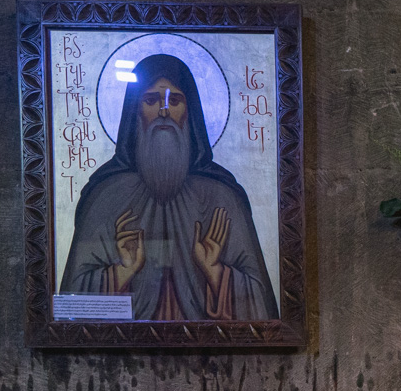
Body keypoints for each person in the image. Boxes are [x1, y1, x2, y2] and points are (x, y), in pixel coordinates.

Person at [60, 54, 278, 321]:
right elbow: (70, 307)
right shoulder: (106, 196)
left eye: (174, 101)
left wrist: (216, 272)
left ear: (189, 112)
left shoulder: (222, 196)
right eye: (151, 100)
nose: (163, 111)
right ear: (135, 111)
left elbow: (262, 310)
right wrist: (121, 273)